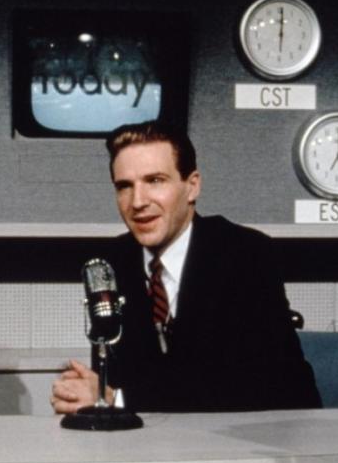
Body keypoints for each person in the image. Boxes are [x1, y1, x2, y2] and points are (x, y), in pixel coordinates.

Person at [51, 121, 321, 414]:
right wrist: (86, 395)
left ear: (192, 186)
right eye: (124, 186)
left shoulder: (246, 255)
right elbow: (117, 378)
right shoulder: (111, 264)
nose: (137, 202)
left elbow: (266, 388)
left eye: (155, 181)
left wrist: (115, 399)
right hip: (143, 439)